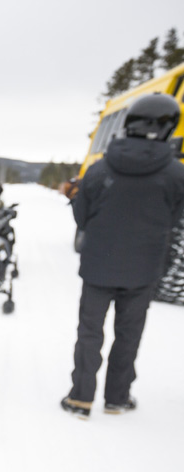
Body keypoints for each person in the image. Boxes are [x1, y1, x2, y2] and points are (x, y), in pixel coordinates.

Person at [61, 92, 184, 419]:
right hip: (144, 270)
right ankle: (117, 398)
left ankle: (80, 398)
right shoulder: (176, 174)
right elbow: (176, 220)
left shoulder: (100, 170)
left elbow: (82, 216)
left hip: (98, 266)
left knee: (89, 333)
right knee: (129, 335)